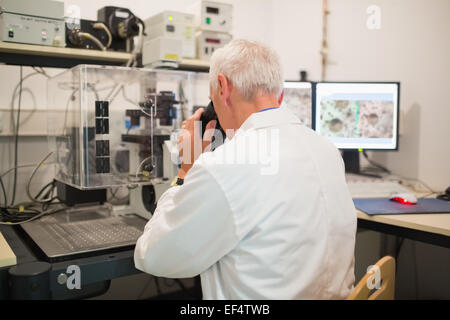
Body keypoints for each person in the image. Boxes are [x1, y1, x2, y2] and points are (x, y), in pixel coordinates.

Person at [134, 39, 357, 299]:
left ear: (223, 87)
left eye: (212, 98)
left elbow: (153, 256)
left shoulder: (222, 167)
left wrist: (186, 169)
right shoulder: (326, 149)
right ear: (280, 95)